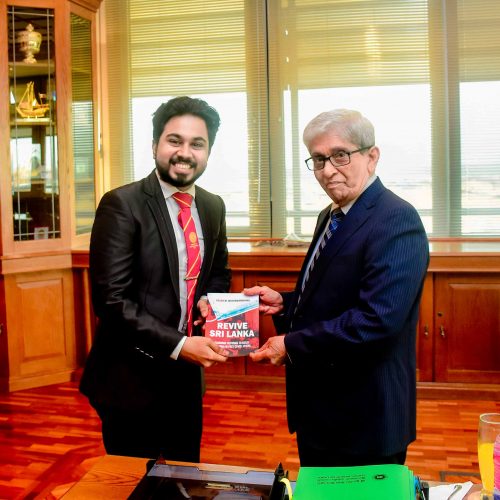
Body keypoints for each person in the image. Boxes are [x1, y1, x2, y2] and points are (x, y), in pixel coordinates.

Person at [245, 109, 429, 467]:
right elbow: (330, 296)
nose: (328, 170)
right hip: (321, 411)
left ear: (371, 157)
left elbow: (376, 320)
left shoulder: (396, 218)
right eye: (318, 159)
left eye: (340, 155)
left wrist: (290, 345)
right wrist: (284, 303)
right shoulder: (331, 215)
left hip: (364, 419)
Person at [79, 96, 231, 462]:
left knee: (185, 472)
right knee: (136, 481)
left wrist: (209, 302)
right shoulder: (122, 204)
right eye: (174, 140)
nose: (185, 153)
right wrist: (180, 344)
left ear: (208, 152)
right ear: (154, 146)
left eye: (197, 143)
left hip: (186, 379)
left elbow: (218, 273)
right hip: (129, 379)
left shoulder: (213, 206)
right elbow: (111, 301)